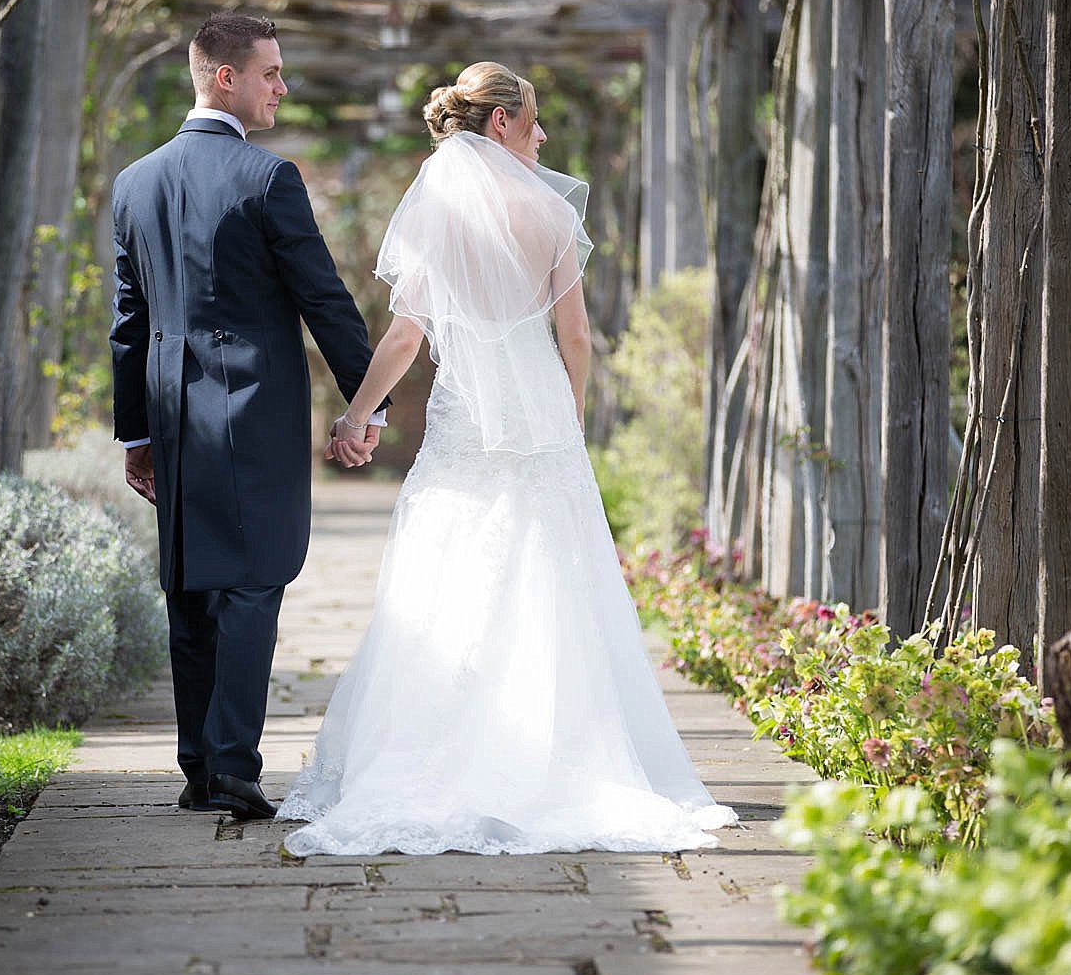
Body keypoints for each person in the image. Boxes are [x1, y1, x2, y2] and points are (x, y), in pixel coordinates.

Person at [277, 64, 739, 857]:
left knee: (449, 565)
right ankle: (558, 757)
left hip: (466, 416)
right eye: (533, 121)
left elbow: (405, 337)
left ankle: (442, 745)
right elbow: (577, 338)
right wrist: (576, 413)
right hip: (542, 415)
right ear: (499, 124)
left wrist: (360, 413)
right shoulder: (551, 215)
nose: (544, 136)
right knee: (556, 574)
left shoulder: (433, 214)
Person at [110, 15, 387, 824]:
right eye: (271, 72)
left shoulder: (135, 182)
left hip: (169, 408)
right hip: (253, 405)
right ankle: (231, 766)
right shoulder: (268, 179)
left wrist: (135, 433)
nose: (282, 86)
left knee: (192, 588)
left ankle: (198, 766)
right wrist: (363, 402)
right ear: (224, 77)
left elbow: (128, 321)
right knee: (256, 578)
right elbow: (323, 299)